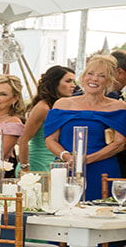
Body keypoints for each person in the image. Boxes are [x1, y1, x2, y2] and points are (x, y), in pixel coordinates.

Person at [45, 54, 126, 201]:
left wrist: (87, 159)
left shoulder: (118, 107)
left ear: (109, 80)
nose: (94, 79)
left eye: (101, 76)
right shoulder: (62, 104)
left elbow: (120, 143)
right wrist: (67, 157)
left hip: (103, 170)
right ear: (83, 76)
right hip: (67, 169)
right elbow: (50, 140)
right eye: (90, 73)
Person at [21, 66, 75, 175]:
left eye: (74, 81)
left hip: (58, 162)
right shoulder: (43, 107)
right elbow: (23, 139)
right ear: (55, 83)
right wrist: (25, 168)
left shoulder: (64, 107)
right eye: (68, 81)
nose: (73, 85)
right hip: (37, 164)